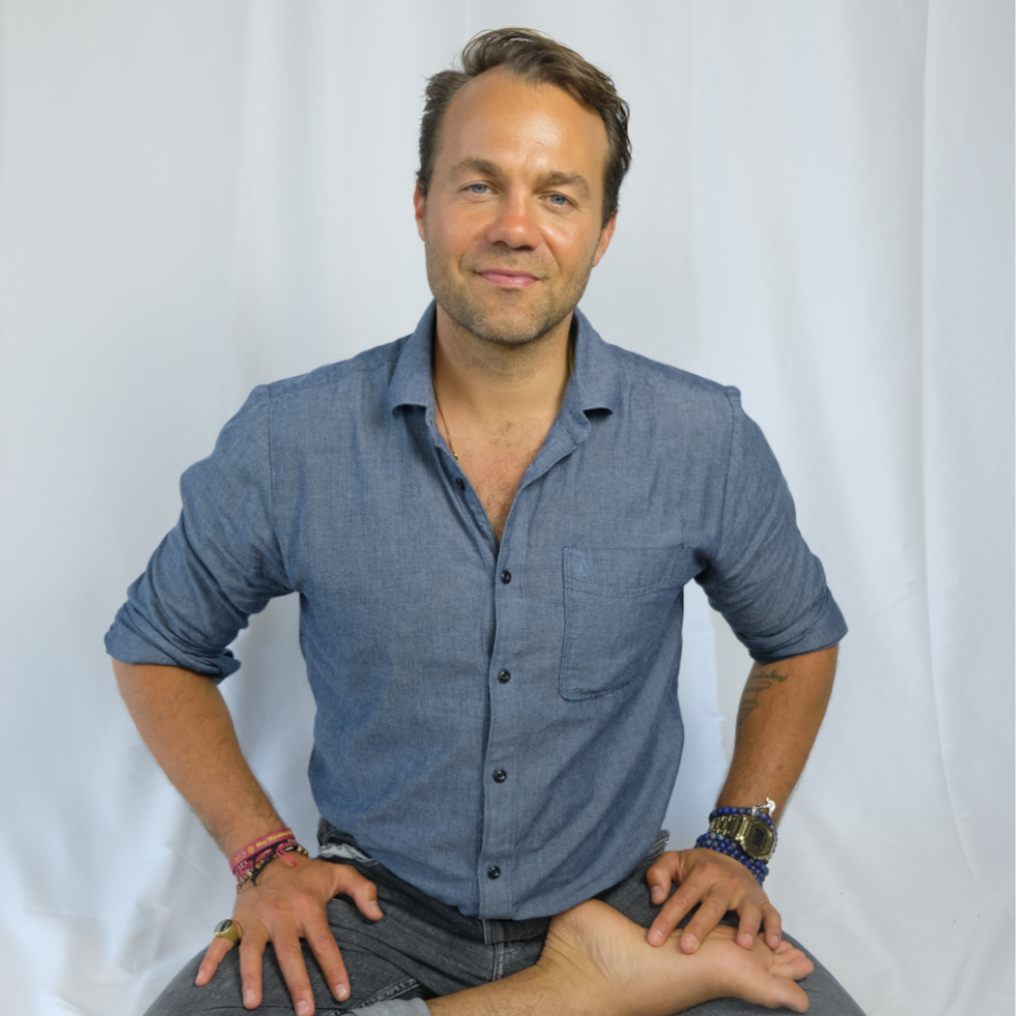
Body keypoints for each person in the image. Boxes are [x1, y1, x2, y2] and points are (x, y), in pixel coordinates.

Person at [108, 27, 863, 1016]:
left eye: (556, 193)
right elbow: (157, 646)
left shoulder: (699, 438)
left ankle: (590, 971)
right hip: (372, 913)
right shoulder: (289, 438)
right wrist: (262, 852)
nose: (516, 225)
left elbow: (797, 640)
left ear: (601, 231)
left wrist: (736, 840)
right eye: (479, 185)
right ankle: (578, 995)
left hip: (628, 906)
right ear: (421, 205)